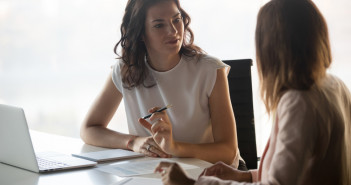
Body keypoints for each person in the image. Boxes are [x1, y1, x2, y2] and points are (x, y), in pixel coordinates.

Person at [154, 0, 351, 184]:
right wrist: (244, 176)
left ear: (269, 48)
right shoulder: (335, 86)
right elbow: (294, 173)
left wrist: (192, 183)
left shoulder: (298, 102)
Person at [80, 0, 244, 168]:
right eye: (159, 25)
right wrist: (133, 142)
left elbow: (228, 151)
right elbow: (89, 129)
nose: (173, 31)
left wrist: (175, 148)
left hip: (212, 175)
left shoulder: (210, 69)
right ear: (141, 33)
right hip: (154, 174)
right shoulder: (125, 70)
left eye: (176, 20)